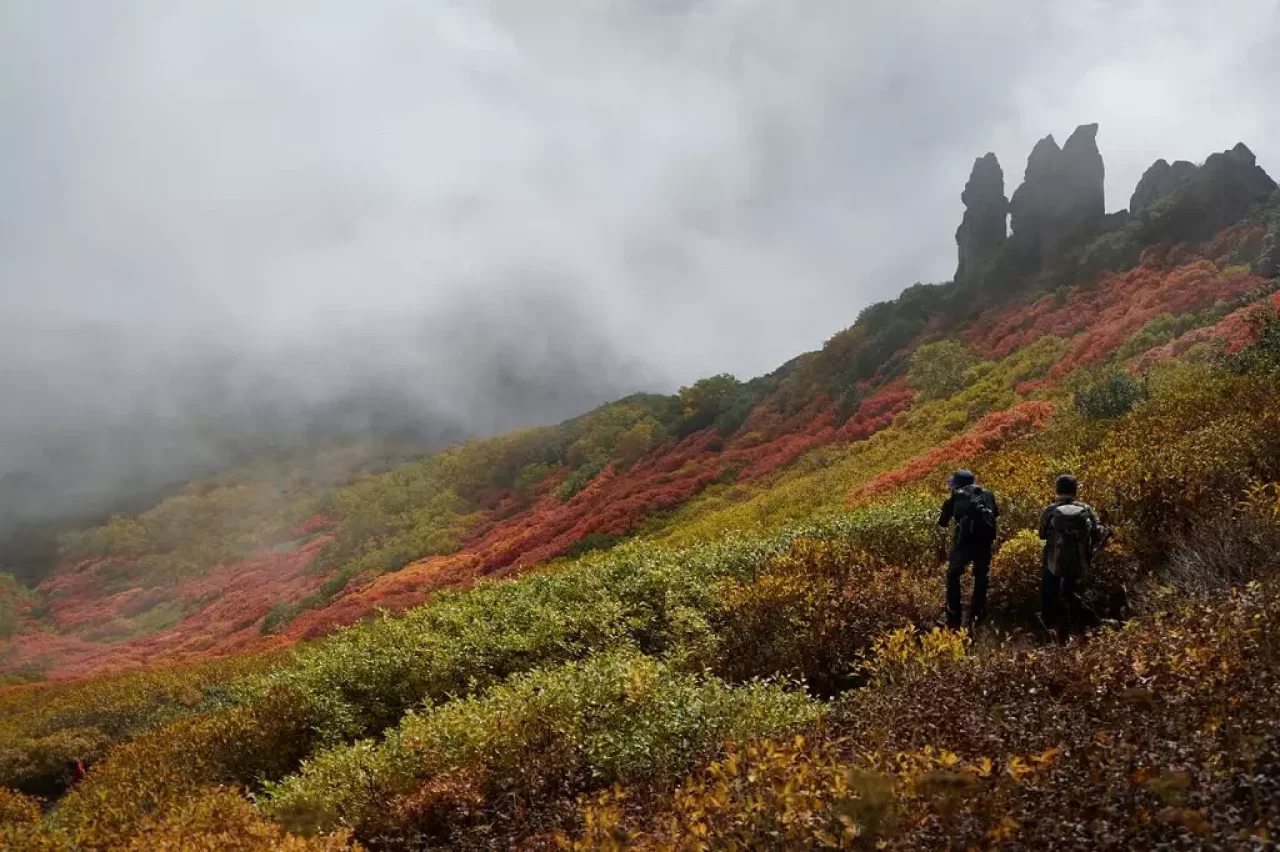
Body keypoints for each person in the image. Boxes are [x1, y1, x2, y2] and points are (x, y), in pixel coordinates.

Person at [1038, 474, 1108, 641]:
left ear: (1057, 489)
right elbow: (1098, 534)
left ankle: (1051, 629)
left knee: (1049, 592)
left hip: (1053, 563)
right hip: (1080, 562)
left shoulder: (1049, 510)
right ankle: (1084, 627)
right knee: (1074, 593)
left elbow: (1041, 535)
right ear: (1075, 490)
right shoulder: (1086, 509)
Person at [937, 469, 999, 629]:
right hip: (984, 541)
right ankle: (978, 613)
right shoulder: (987, 494)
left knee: (953, 575)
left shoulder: (957, 496)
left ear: (957, 485)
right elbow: (995, 515)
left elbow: (942, 522)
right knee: (981, 574)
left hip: (963, 542)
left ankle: (954, 615)